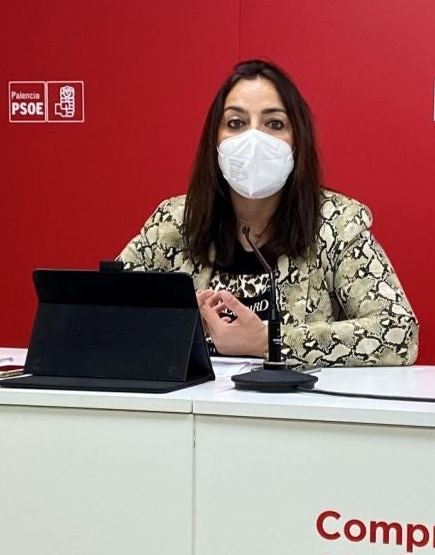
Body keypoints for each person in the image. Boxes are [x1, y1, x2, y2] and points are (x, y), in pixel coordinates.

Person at [119, 59, 418, 367]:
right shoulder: (175, 221)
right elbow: (104, 313)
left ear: (298, 140)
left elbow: (400, 333)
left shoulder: (336, 223)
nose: (253, 140)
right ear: (214, 140)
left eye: (274, 124)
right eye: (236, 123)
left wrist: (268, 341)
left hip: (293, 398)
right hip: (195, 398)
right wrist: (176, 325)